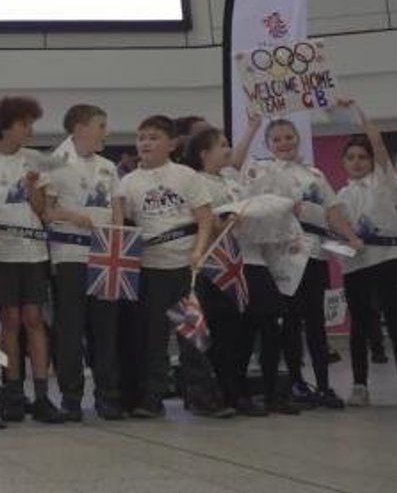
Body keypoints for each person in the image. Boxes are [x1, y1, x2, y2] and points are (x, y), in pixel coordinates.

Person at [246, 119, 363, 409]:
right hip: (283, 256)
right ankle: (296, 382)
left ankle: (323, 384)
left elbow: (332, 211)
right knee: (290, 321)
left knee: (316, 322)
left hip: (314, 254)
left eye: (288, 137)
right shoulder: (262, 172)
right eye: (277, 139)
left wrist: (350, 237)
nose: (284, 143)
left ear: (297, 138)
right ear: (268, 144)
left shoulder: (315, 174)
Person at [112, 115, 214, 419]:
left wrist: (198, 250)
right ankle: (152, 398)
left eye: (153, 137)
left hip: (184, 267)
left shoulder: (186, 176)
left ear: (172, 144)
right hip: (150, 269)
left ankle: (203, 397)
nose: (145, 143)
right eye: (141, 137)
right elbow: (120, 229)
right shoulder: (128, 182)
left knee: (192, 336)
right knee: (153, 338)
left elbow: (205, 218)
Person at [0, 97, 61, 423]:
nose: (29, 130)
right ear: (5, 127)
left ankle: (42, 394)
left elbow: (41, 209)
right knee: (9, 319)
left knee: (34, 317)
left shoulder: (34, 160)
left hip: (32, 250)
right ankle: (13, 391)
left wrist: (33, 187)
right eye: (24, 124)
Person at [42, 104, 123, 421]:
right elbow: (47, 211)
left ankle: (107, 396)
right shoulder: (55, 163)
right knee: (71, 328)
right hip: (70, 254)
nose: (106, 132)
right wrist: (73, 216)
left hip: (104, 254)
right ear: (79, 128)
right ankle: (71, 397)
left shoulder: (107, 166)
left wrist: (118, 237)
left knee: (105, 328)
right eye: (100, 125)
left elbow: (116, 207)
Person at [182, 123, 263, 418]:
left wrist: (253, 125)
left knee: (238, 329)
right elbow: (203, 218)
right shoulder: (196, 180)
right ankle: (216, 393)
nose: (228, 150)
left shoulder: (229, 179)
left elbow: (237, 159)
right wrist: (225, 222)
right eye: (222, 144)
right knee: (213, 332)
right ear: (204, 153)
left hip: (235, 263)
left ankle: (235, 389)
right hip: (209, 267)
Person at [334, 99, 397, 407]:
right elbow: (336, 231)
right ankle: (360, 385)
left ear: (373, 160)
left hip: (387, 260)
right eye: (351, 158)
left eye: (363, 157)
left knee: (394, 321)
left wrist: (357, 110)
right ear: (343, 162)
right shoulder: (340, 196)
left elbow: (378, 142)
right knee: (359, 325)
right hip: (356, 265)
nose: (357, 162)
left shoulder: (384, 181)